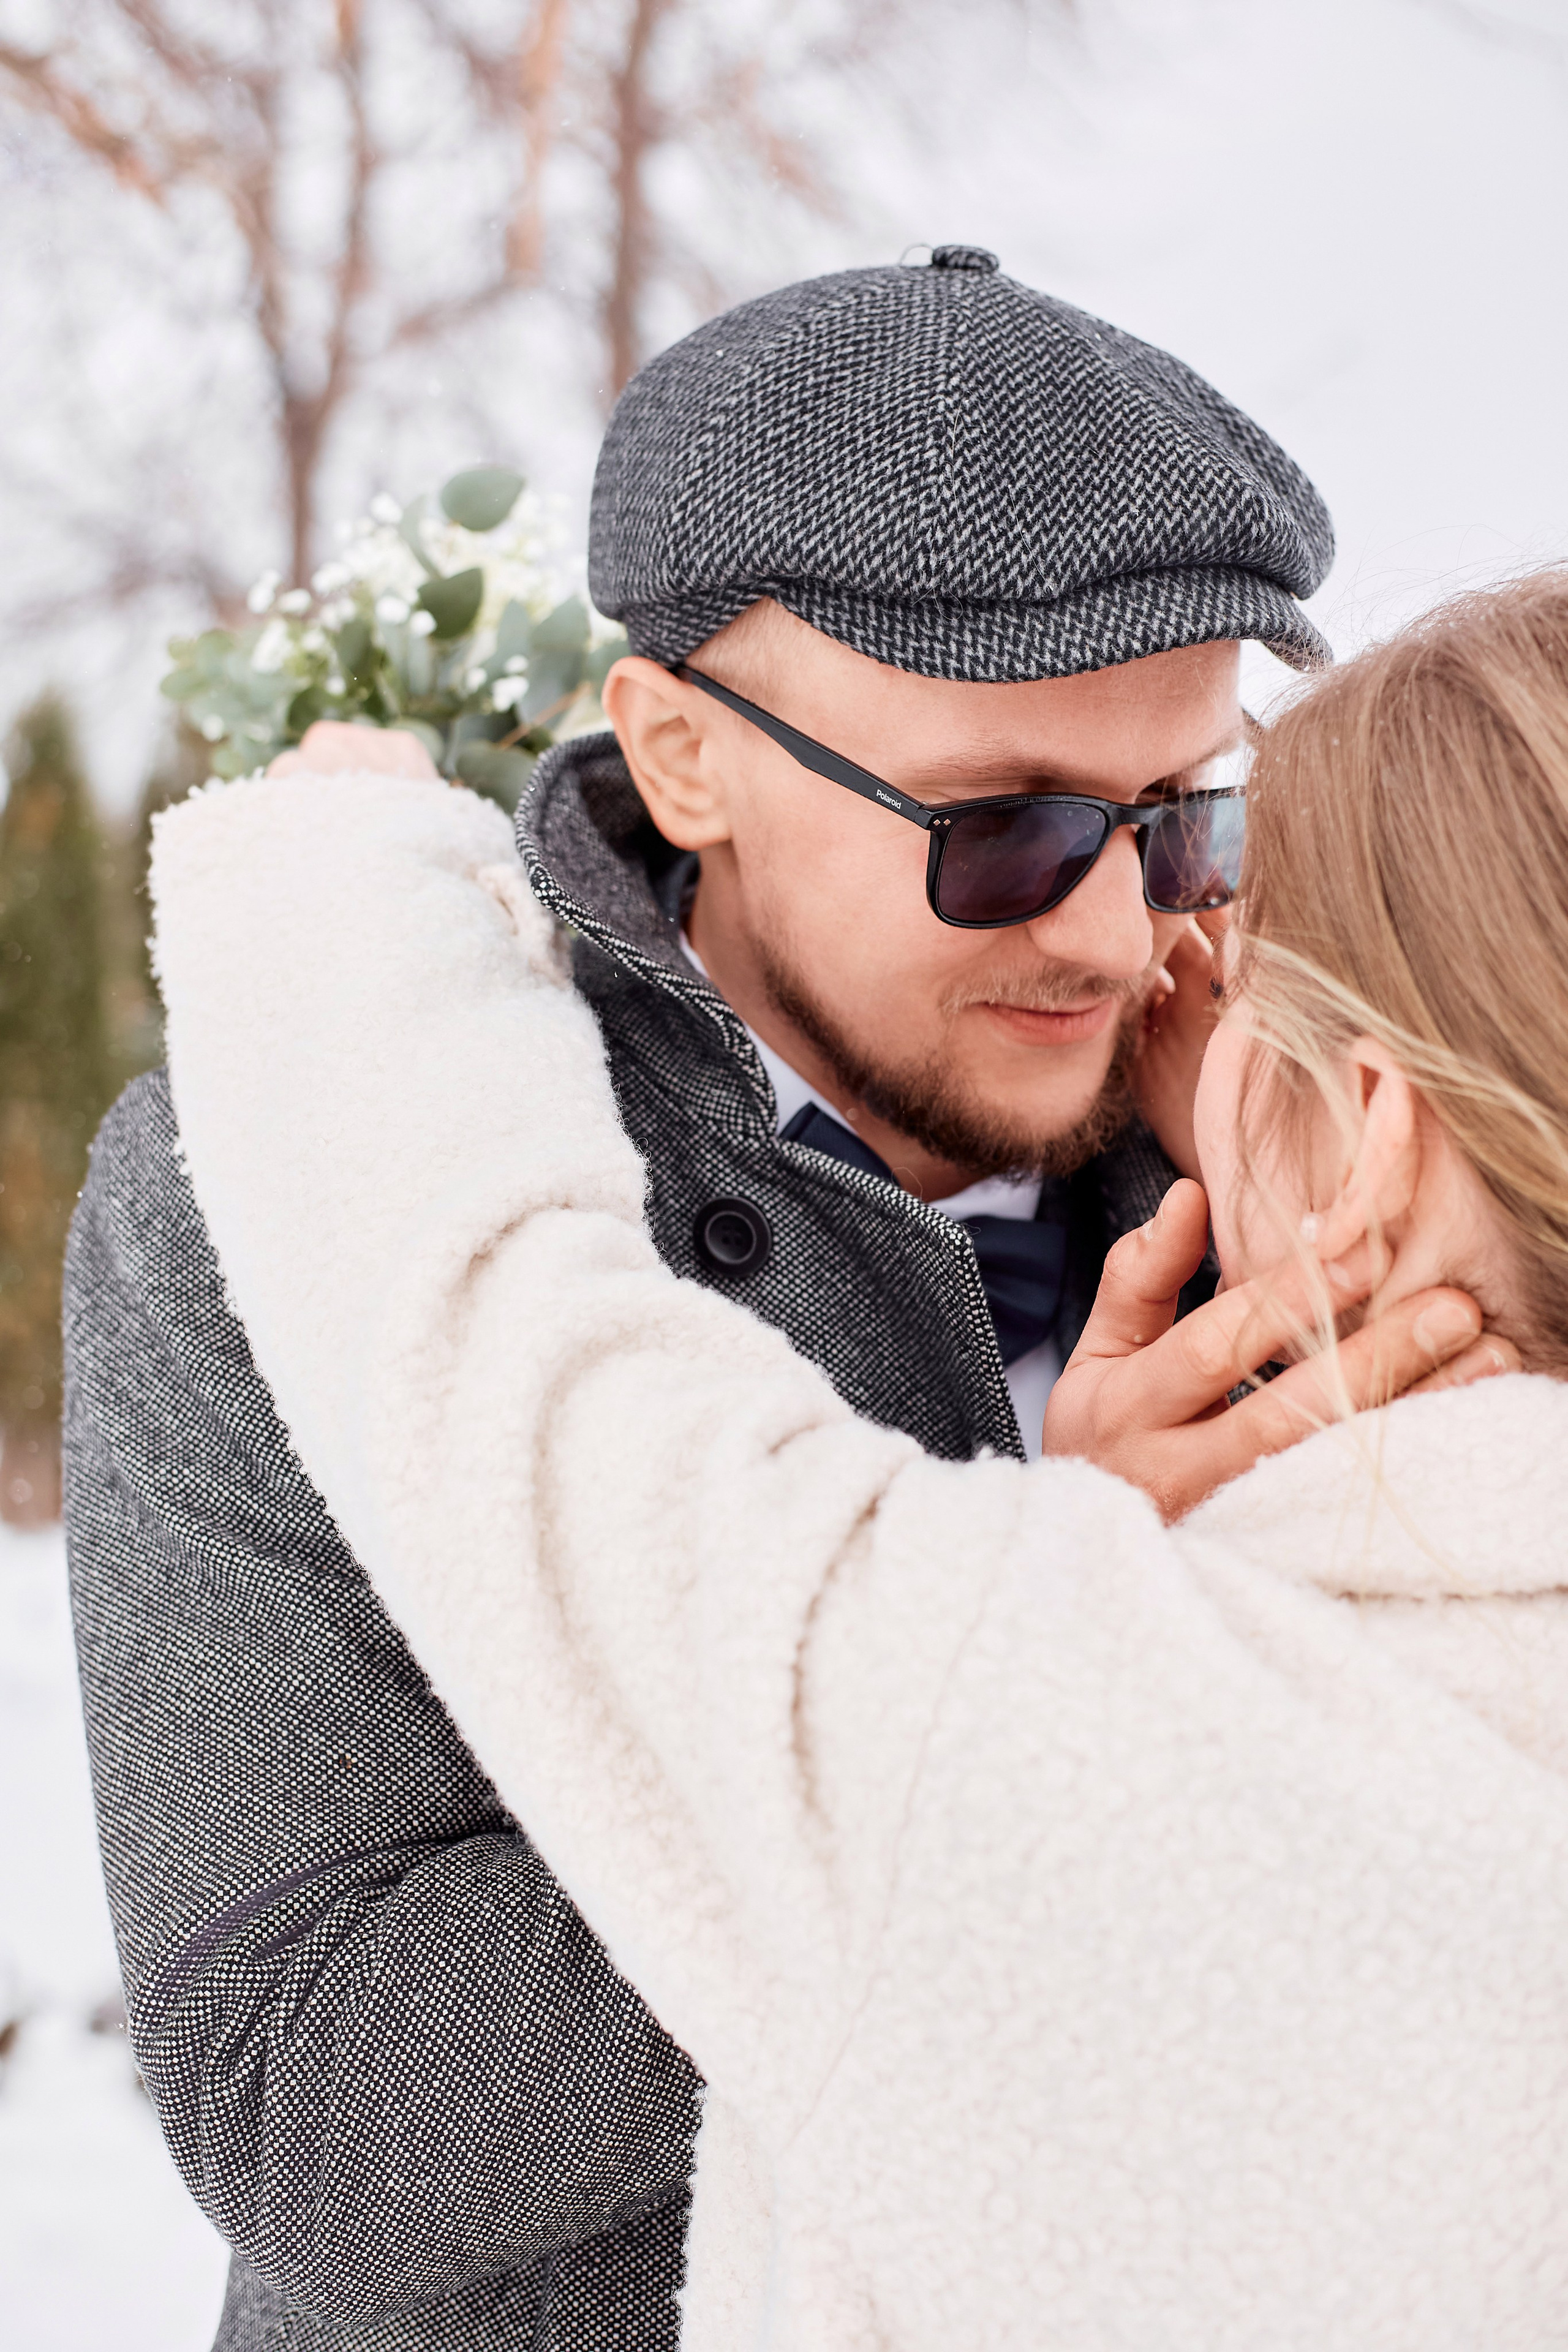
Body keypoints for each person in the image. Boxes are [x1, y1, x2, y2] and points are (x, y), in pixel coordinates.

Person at [62, 250, 1482, 2350]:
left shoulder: (1303, 1148)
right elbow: (316, 2106)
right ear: (684, 755)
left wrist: (1308, 1201)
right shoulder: (281, 1178)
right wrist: (1034, 1646)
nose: (1110, 931)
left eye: (1185, 821)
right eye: (1000, 835)